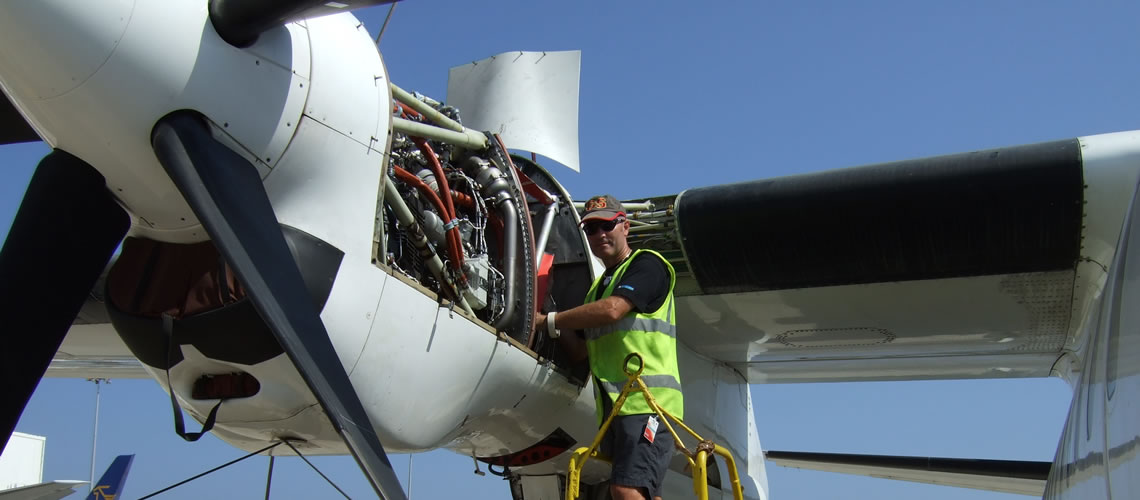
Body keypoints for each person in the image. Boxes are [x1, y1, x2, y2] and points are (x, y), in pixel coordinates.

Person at [536, 194, 683, 500]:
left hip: (648, 404)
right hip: (616, 409)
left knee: (625, 489)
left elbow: (614, 310)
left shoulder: (647, 265)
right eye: (591, 229)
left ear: (625, 226)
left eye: (607, 225)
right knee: (640, 489)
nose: (599, 234)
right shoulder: (596, 291)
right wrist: (550, 319)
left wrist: (550, 319)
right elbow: (581, 353)